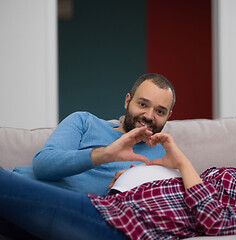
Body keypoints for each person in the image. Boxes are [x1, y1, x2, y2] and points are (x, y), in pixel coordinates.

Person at [1, 130, 236, 240]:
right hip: (114, 207)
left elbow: (216, 220)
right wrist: (132, 181)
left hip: (122, 227)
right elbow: (194, 197)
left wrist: (183, 164)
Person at [9, 73, 176, 195]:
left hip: (72, 216)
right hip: (19, 188)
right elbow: (42, 166)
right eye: (142, 104)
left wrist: (136, 183)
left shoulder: (163, 157)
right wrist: (105, 154)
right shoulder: (84, 122)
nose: (148, 115)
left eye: (160, 112)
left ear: (168, 116)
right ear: (127, 101)